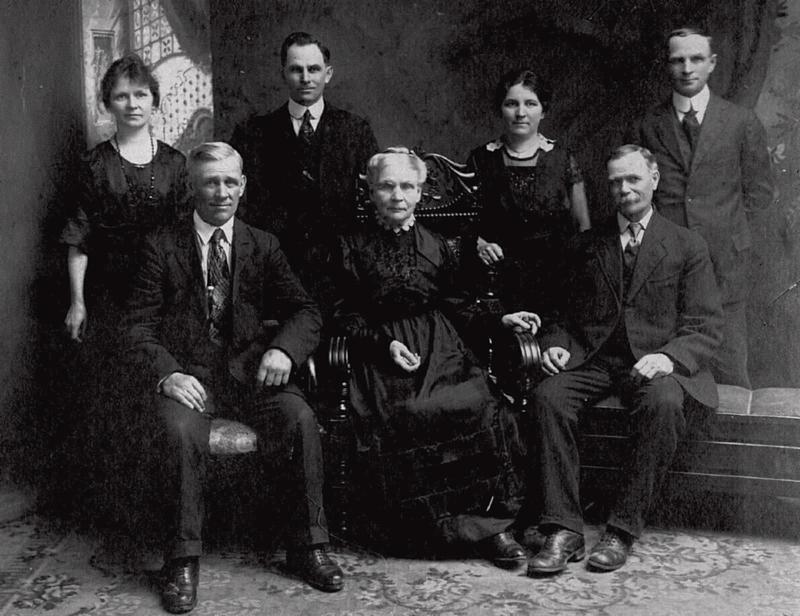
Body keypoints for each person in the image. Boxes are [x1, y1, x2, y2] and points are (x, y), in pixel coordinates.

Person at [122, 143, 342, 613]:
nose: (221, 192)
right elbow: (136, 325)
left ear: (243, 186)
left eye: (230, 182)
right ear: (191, 188)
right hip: (191, 381)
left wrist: (283, 348)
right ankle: (182, 559)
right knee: (180, 432)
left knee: (299, 416)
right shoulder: (161, 245)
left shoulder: (262, 244)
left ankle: (309, 546)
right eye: (210, 181)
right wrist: (167, 374)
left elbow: (305, 309)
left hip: (251, 381)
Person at [331, 147, 539, 569]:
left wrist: (501, 320)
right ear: (371, 192)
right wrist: (381, 344)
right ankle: (431, 533)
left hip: (441, 348)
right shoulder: (351, 246)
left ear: (421, 191)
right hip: (383, 354)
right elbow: (342, 313)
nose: (397, 195)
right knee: (413, 411)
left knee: (481, 404)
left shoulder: (438, 245)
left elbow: (457, 304)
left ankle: (490, 528)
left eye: (407, 186)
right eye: (387, 186)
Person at [523, 145, 723, 576]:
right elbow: (560, 314)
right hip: (595, 360)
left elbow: (706, 325)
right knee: (547, 397)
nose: (624, 189)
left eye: (633, 179)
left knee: (666, 404)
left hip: (654, 363)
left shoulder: (687, 245)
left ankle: (622, 529)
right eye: (615, 181)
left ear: (654, 180)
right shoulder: (586, 245)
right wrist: (556, 343)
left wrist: (669, 358)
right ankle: (564, 526)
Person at [57, 53, 188, 515]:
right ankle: (119, 513)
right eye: (121, 96)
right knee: (115, 401)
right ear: (107, 104)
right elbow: (79, 237)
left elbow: (188, 239)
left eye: (140, 94)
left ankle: (161, 508)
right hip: (110, 297)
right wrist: (77, 302)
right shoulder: (93, 165)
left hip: (164, 299)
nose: (132, 104)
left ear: (155, 100)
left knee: (163, 397)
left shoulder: (175, 163)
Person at [632, 27, 774, 388]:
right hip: (667, 269)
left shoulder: (741, 122)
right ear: (667, 66)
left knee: (730, 375)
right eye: (678, 60)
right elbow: (634, 195)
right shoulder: (647, 126)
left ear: (711, 64)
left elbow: (759, 194)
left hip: (726, 267)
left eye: (696, 59)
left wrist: (730, 235)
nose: (687, 67)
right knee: (668, 376)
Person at [230, 31, 378, 304]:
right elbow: (238, 205)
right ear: (283, 74)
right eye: (296, 70)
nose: (306, 78)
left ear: (328, 73)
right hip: (275, 268)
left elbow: (374, 198)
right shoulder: (253, 133)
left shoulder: (355, 130)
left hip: (340, 270)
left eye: (314, 69)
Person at [468, 68, 590, 312]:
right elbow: (464, 223)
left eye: (530, 104)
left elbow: (583, 228)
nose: (521, 113)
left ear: (543, 110)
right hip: (496, 278)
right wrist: (479, 244)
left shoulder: (562, 159)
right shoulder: (480, 159)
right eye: (511, 104)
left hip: (555, 280)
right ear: (500, 109)